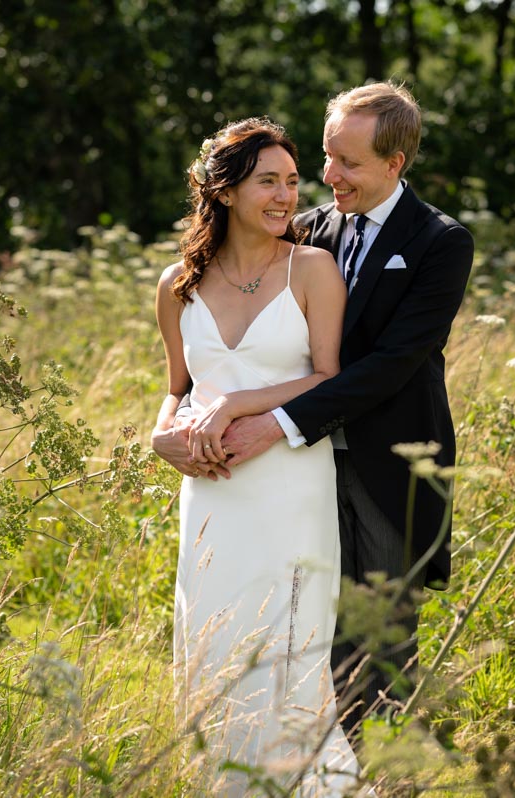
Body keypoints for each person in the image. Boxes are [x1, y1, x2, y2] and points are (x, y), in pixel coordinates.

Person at [155, 82, 475, 735]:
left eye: (348, 163)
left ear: (395, 164)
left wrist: (269, 421)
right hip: (301, 476)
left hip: (388, 467)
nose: (329, 177)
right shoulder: (307, 230)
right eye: (327, 157)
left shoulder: (440, 242)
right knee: (305, 636)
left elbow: (390, 366)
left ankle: (387, 775)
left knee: (379, 643)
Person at [151, 117, 364, 796]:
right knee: (218, 649)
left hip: (290, 487)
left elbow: (330, 379)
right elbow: (177, 390)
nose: (285, 196)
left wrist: (242, 405)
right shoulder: (177, 284)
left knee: (289, 647)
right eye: (267, 181)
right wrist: (160, 436)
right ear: (224, 189)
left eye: (292, 182)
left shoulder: (312, 269)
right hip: (212, 496)